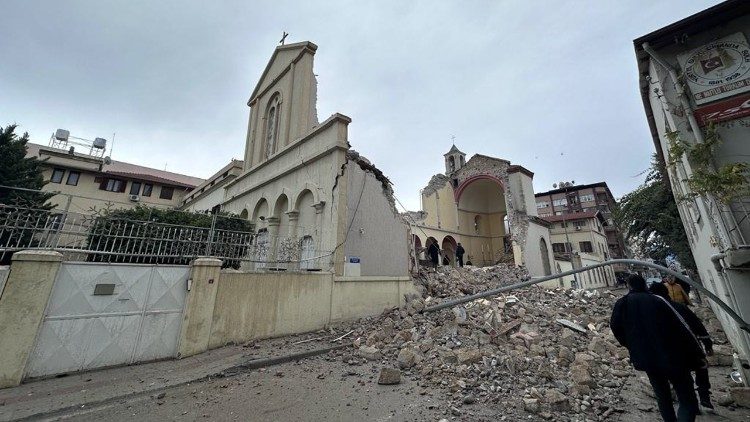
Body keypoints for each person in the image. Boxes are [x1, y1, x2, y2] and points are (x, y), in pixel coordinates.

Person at [611, 274, 705, 422]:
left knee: (663, 397)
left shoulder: (622, 303)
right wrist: (698, 352)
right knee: (686, 398)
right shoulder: (658, 301)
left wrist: (632, 345)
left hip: (648, 360)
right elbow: (682, 327)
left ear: (628, 286)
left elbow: (616, 329)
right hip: (673, 357)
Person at [649, 282, 714, 411]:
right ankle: (704, 396)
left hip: (671, 352)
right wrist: (707, 344)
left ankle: (693, 402)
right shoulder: (678, 308)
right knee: (701, 369)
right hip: (690, 348)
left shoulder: (655, 312)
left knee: (684, 376)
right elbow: (698, 326)